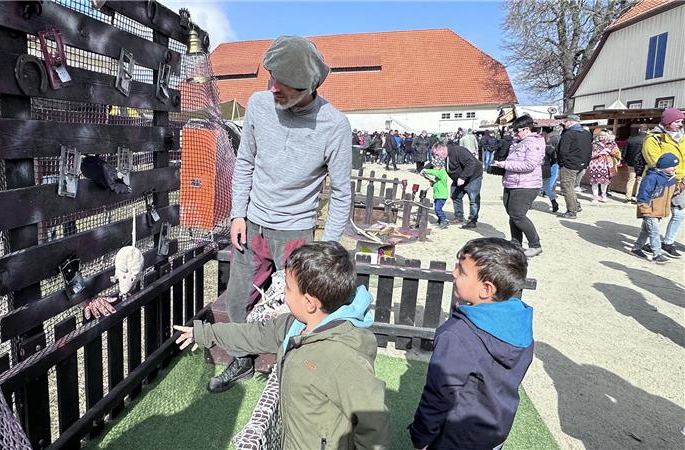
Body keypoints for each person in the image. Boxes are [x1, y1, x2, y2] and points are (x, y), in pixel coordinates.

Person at [220, 35, 352, 393]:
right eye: (272, 77)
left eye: (284, 84)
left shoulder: (335, 126)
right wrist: (237, 214)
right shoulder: (259, 105)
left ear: (308, 87)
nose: (273, 87)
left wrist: (327, 246)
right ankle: (240, 359)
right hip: (253, 224)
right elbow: (244, 162)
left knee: (301, 308)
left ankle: (289, 369)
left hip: (297, 232)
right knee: (237, 298)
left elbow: (341, 192)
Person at [174, 241, 391, 449]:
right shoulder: (295, 326)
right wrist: (205, 332)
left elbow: (373, 427)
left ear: (309, 303)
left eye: (287, 288)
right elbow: (254, 334)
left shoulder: (343, 360)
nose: (282, 293)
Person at [408, 237, 533, 450]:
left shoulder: (458, 334)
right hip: (494, 432)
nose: (454, 273)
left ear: (486, 289)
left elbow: (439, 394)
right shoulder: (519, 320)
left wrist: (421, 436)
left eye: (462, 271)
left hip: (456, 437)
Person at [490, 115, 545, 257]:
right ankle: (516, 242)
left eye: (517, 130)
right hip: (512, 182)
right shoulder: (518, 142)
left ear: (527, 129)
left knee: (518, 214)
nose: (514, 133)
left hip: (526, 184)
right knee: (511, 213)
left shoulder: (533, 143)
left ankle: (535, 245)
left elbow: (529, 164)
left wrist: (506, 165)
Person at [641, 107, 685, 258]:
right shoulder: (654, 138)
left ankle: (668, 242)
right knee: (655, 214)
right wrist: (676, 174)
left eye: (681, 121)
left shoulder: (683, 138)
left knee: (679, 213)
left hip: (681, 181)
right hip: (661, 181)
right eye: (677, 121)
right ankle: (645, 244)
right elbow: (655, 161)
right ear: (667, 123)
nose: (681, 124)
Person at [630, 153, 679, 264]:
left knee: (646, 231)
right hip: (650, 210)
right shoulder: (651, 177)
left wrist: (680, 187)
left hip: (658, 211)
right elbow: (643, 194)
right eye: (672, 166)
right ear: (664, 166)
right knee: (654, 232)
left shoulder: (671, 178)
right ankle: (657, 254)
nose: (675, 168)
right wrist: (644, 208)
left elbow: (672, 192)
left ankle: (636, 248)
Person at [556, 114, 593, 218]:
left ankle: (572, 211)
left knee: (567, 187)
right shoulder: (587, 133)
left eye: (566, 122)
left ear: (570, 122)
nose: (565, 124)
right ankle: (576, 205)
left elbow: (563, 151)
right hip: (582, 164)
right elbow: (589, 149)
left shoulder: (569, 134)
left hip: (569, 164)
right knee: (571, 186)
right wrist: (586, 163)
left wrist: (562, 163)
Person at [443, 142, 484, 229]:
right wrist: (424, 169)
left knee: (473, 199)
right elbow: (434, 163)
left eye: (436, 154)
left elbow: (471, 163)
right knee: (455, 196)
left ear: (442, 149)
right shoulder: (444, 156)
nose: (435, 156)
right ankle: (459, 217)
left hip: (473, 176)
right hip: (459, 179)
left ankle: (472, 220)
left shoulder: (459, 151)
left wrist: (463, 177)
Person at [588, 130, 621, 202]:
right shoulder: (594, 144)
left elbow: (617, 153)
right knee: (594, 181)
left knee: (604, 181)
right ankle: (595, 197)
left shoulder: (612, 144)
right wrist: (600, 153)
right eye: (600, 135)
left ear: (607, 136)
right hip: (594, 165)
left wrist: (609, 151)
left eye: (603, 135)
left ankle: (603, 195)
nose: (601, 136)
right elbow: (589, 154)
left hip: (606, 165)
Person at [420, 155, 450, 229]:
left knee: (438, 209)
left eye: (434, 166)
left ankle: (443, 220)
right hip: (438, 195)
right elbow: (436, 184)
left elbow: (434, 172)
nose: (433, 168)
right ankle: (440, 220)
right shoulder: (438, 175)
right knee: (437, 209)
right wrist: (432, 182)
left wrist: (425, 170)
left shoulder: (442, 172)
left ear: (439, 166)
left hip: (442, 195)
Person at [623, 125, 647, 202]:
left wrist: (625, 160)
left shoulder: (630, 139)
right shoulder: (646, 140)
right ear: (647, 130)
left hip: (630, 162)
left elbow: (624, 151)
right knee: (640, 180)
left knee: (631, 180)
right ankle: (637, 197)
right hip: (642, 162)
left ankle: (628, 197)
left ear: (639, 130)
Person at [541, 127, 560, 212]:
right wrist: (549, 164)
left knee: (534, 187)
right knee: (547, 188)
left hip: (536, 169)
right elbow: (555, 159)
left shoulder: (536, 146)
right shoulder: (549, 148)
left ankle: (528, 203)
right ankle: (553, 201)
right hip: (546, 168)